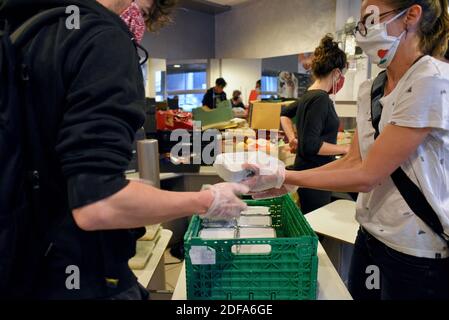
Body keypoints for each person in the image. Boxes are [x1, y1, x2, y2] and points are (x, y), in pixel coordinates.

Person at [0, 0, 248, 300]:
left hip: (25, 267)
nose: (139, 24)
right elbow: (97, 204)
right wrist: (207, 200)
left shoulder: (30, 30)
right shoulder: (103, 38)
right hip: (84, 275)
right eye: (144, 12)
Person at [244, 0, 449, 300]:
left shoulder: (430, 78)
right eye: (361, 22)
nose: (364, 29)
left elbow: (368, 175)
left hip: (415, 251)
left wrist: (288, 177)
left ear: (412, 16)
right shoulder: (371, 88)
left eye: (372, 17)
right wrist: (285, 176)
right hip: (370, 236)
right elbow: (354, 160)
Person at [280, 35, 350, 214]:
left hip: (307, 170)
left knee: (310, 218)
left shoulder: (309, 95)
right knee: (316, 226)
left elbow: (284, 115)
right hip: (315, 173)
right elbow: (312, 145)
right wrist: (345, 149)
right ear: (336, 72)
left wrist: (293, 138)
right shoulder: (320, 99)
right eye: (342, 74)